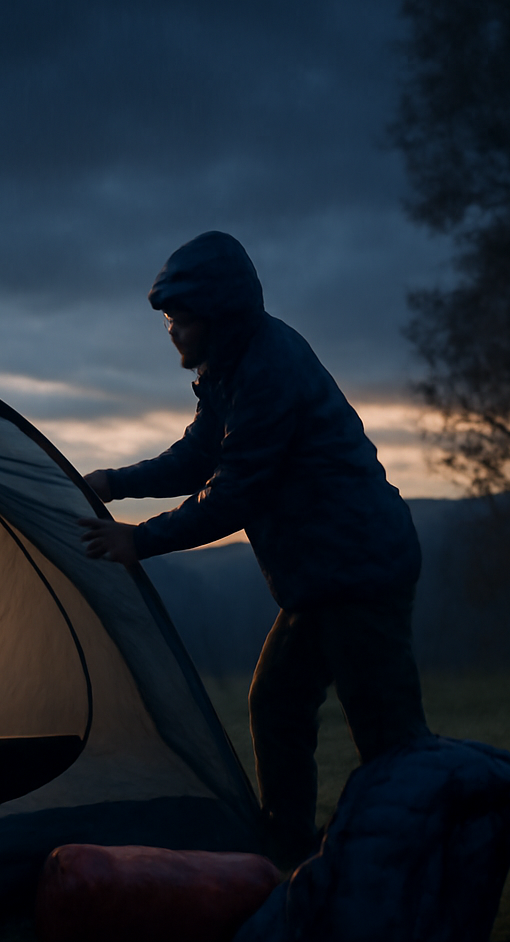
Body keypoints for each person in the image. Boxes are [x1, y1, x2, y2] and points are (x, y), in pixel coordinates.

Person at [78, 230, 429, 868]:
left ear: (219, 315)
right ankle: (289, 858)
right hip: (319, 579)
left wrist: (142, 540)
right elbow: (197, 457)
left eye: (180, 317)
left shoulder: (269, 370)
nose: (173, 331)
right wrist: (113, 484)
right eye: (168, 319)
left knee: (389, 736)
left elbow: (235, 492)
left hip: (359, 572)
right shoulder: (233, 368)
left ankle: (410, 864)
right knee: (276, 705)